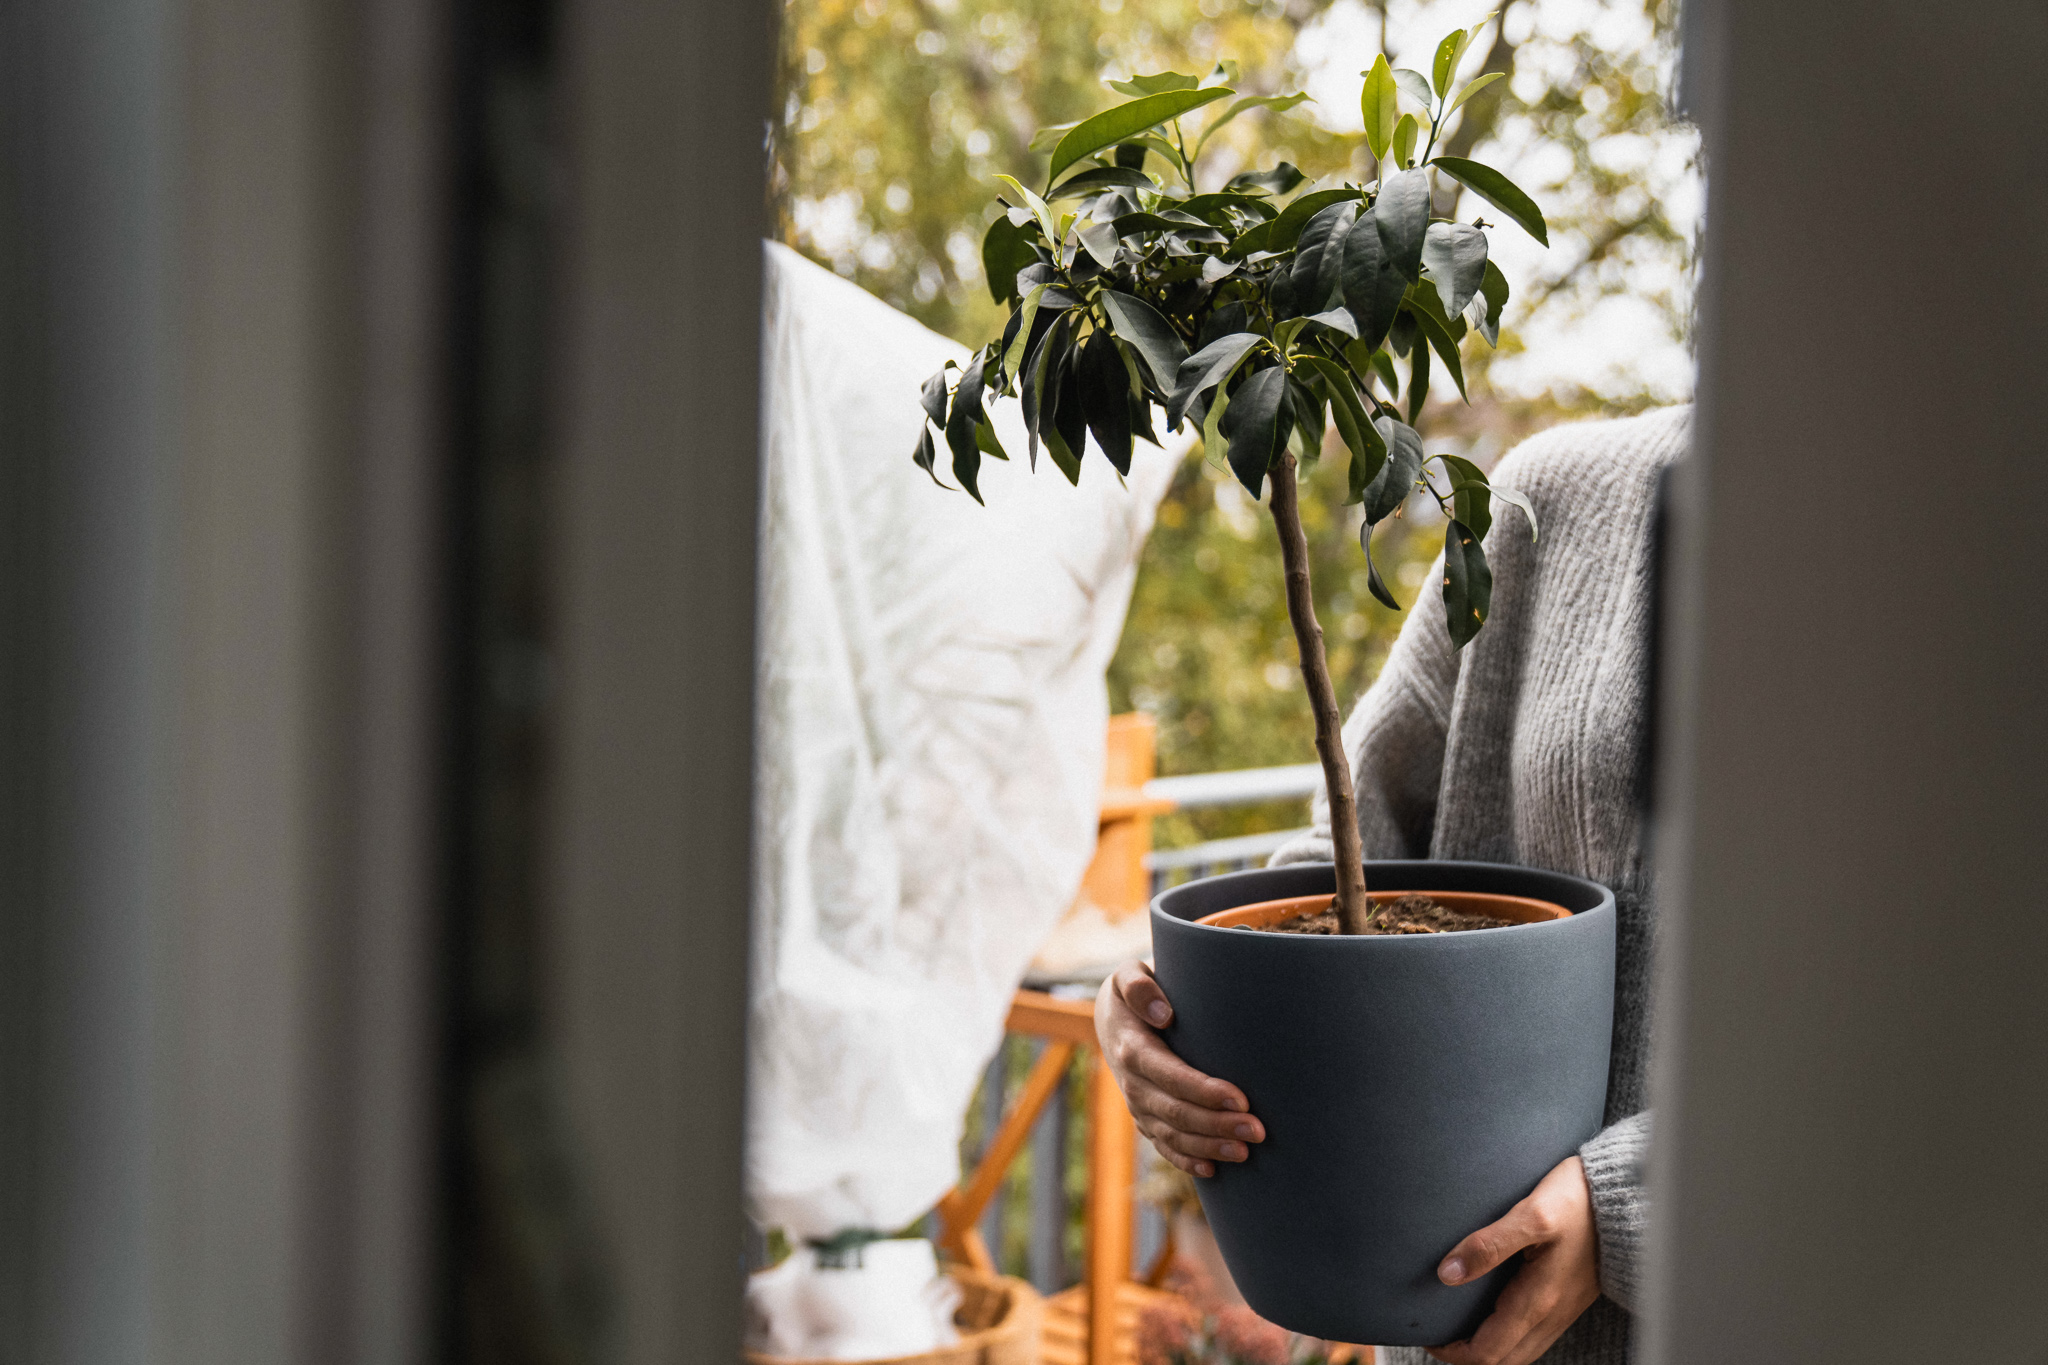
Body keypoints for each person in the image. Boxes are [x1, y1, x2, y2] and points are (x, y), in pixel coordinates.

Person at [1095, 406, 1690, 1365]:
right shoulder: (1555, 498)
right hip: (1435, 1323)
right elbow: (1348, 855)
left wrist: (1631, 1199)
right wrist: (1160, 1010)